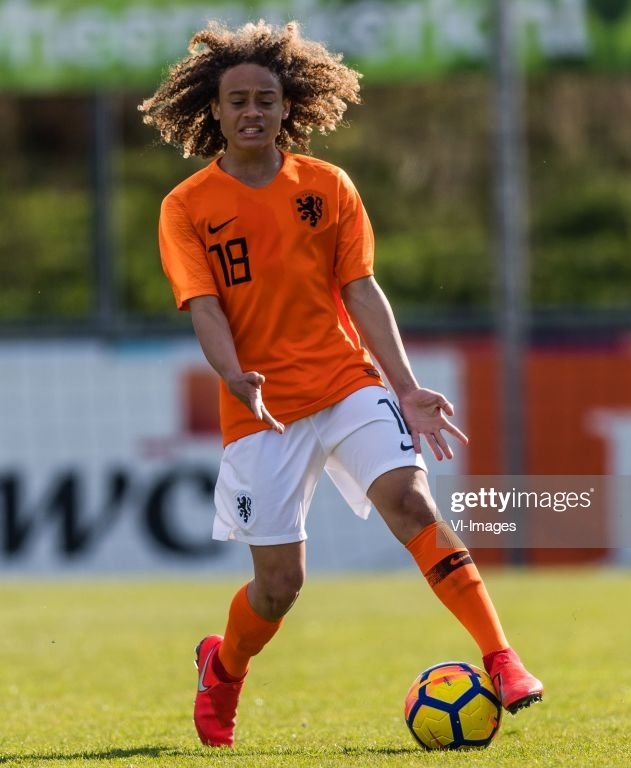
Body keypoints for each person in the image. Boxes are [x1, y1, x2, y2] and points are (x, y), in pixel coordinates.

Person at [140, 19, 543, 748]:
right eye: (238, 100)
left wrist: (408, 388)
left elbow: (361, 292)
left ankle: (502, 657)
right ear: (216, 111)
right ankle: (222, 668)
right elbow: (204, 307)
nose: (253, 111)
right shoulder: (186, 207)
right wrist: (233, 377)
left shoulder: (327, 187)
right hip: (259, 410)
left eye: (267, 97)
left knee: (410, 500)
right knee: (278, 588)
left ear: (288, 106)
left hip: (345, 382)